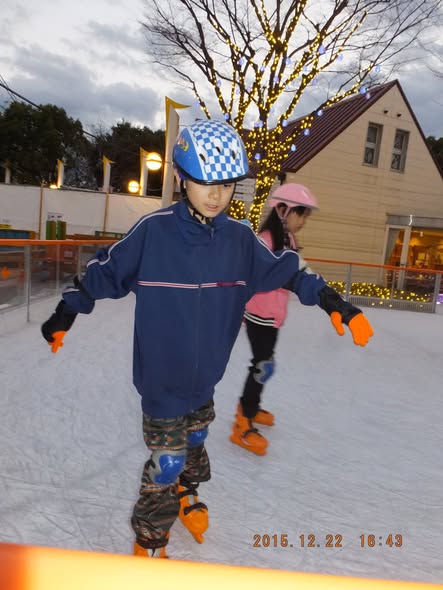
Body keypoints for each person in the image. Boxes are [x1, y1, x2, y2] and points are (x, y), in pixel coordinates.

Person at [41, 119, 373, 559]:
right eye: (205, 183)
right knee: (167, 461)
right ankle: (150, 542)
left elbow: (289, 269)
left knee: (195, 443)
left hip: (205, 379)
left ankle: (187, 491)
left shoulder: (240, 240)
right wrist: (66, 311)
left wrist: (335, 303)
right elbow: (104, 271)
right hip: (160, 380)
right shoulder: (154, 232)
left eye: (226, 185)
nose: (217, 195)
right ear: (182, 178)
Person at [230, 183, 318, 456]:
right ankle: (242, 422)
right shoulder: (266, 240)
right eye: (301, 214)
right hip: (259, 313)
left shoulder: (288, 239)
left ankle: (251, 407)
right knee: (262, 365)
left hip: (273, 316)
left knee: (264, 364)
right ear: (283, 210)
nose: (303, 222)